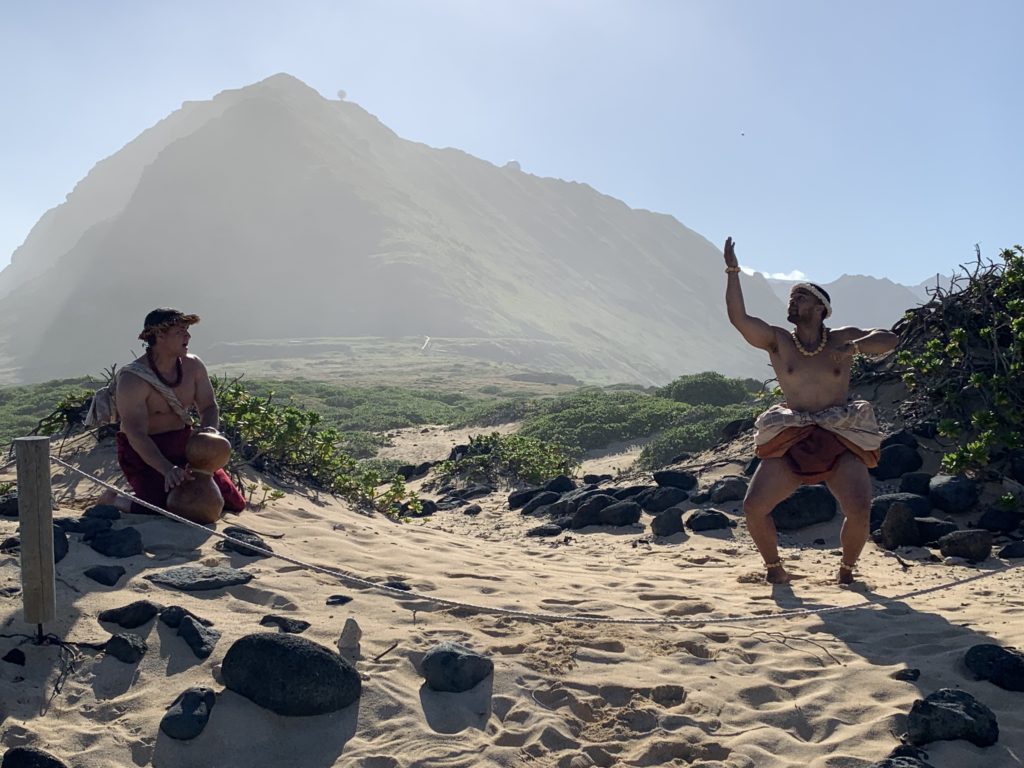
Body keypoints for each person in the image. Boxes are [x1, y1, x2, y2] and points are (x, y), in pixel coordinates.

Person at [723, 237, 897, 584]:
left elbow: (890, 339)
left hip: (839, 432)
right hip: (794, 432)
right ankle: (774, 568)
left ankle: (846, 572)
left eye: (801, 296)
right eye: (793, 296)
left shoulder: (840, 338)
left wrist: (857, 346)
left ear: (820, 308)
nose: (793, 300)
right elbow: (739, 319)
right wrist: (732, 270)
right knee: (753, 508)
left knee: (860, 510)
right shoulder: (778, 341)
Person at [97, 308, 245, 520]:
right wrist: (167, 469)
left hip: (186, 446)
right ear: (160, 335)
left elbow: (209, 407)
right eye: (180, 331)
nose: (188, 336)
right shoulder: (133, 379)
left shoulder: (193, 366)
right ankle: (114, 499)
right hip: (145, 451)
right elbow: (135, 433)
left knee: (231, 502)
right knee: (168, 507)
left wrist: (209, 434)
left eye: (187, 330)